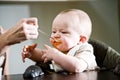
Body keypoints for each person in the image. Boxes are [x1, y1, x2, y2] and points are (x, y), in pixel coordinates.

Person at [22, 9, 98, 73]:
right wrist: (32, 53)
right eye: (54, 31)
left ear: (81, 39)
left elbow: (77, 67)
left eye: (64, 32)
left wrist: (56, 55)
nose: (55, 35)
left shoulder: (85, 50)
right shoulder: (60, 50)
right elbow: (44, 56)